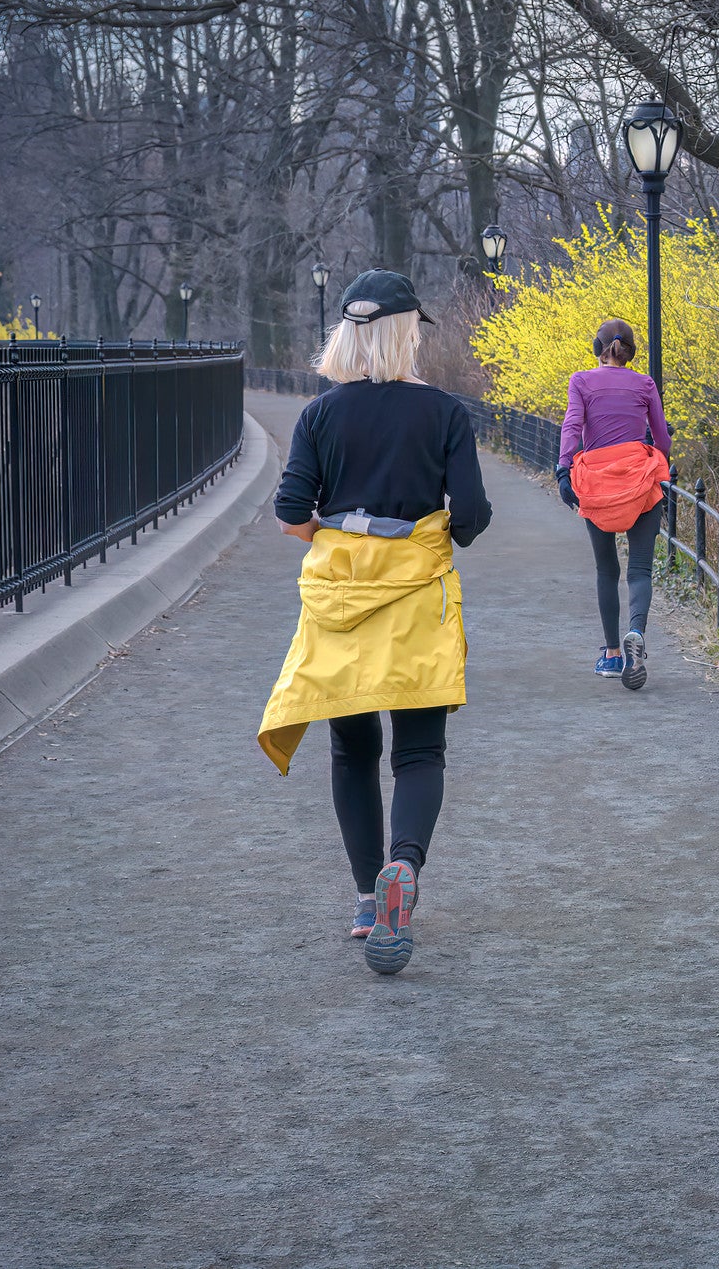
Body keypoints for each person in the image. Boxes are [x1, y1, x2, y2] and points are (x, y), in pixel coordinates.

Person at [257, 269, 492, 975]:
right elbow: (473, 518)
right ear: (406, 333)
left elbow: (292, 512)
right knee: (419, 752)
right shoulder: (445, 413)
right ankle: (404, 867)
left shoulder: (320, 415)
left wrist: (342, 536)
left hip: (338, 600)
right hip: (416, 597)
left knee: (350, 750)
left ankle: (367, 897)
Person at [556, 318, 671, 691]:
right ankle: (635, 632)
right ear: (630, 351)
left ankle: (611, 655)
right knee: (639, 570)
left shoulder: (582, 381)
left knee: (607, 570)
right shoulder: (645, 383)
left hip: (598, 483)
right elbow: (663, 437)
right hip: (639, 480)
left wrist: (563, 468)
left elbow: (572, 425)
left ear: (597, 347)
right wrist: (661, 461)